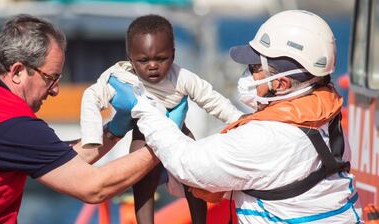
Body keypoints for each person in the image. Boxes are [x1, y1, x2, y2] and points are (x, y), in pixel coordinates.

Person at [124, 10, 362, 223]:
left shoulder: (266, 138)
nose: (248, 75)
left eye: (255, 68)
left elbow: (187, 163)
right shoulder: (327, 114)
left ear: (281, 83)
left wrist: (142, 105)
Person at [0, 14, 166, 224]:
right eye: (50, 78)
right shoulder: (12, 124)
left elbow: (58, 159)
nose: (55, 91)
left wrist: (115, 130)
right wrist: (166, 143)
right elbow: (94, 187)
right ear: (17, 71)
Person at [80, 14, 244, 224]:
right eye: (143, 60)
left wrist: (239, 119)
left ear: (173, 55)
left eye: (161, 58)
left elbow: (212, 100)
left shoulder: (183, 77)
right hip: (144, 136)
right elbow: (91, 97)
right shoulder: (121, 77)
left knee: (195, 177)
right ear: (130, 59)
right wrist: (92, 136)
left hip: (179, 131)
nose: (153, 66)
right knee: (143, 184)